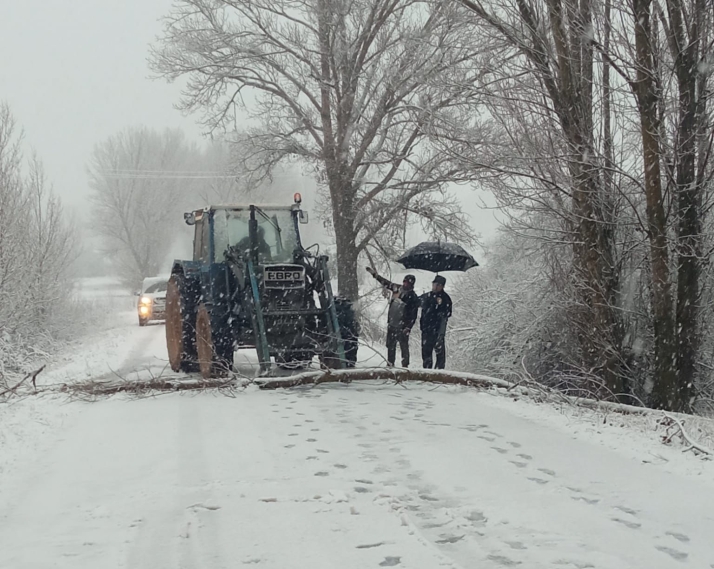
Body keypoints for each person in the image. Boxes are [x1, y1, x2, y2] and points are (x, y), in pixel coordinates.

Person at [366, 267, 420, 367]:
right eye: (404, 282)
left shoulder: (413, 297)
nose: (405, 284)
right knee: (391, 346)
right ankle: (390, 364)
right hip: (392, 323)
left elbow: (413, 315)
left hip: (403, 326)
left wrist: (408, 327)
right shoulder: (397, 289)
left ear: (412, 284)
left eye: (407, 283)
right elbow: (385, 282)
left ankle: (405, 366)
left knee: (404, 347)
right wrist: (375, 275)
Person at [420, 275, 452, 369]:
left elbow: (448, 314)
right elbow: (415, 301)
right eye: (434, 284)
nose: (435, 286)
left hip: (438, 331)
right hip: (426, 330)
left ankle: (439, 374)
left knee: (440, 355)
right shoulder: (427, 296)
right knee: (426, 355)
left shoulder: (446, 299)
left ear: (442, 286)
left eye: (437, 285)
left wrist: (439, 306)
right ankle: (426, 373)